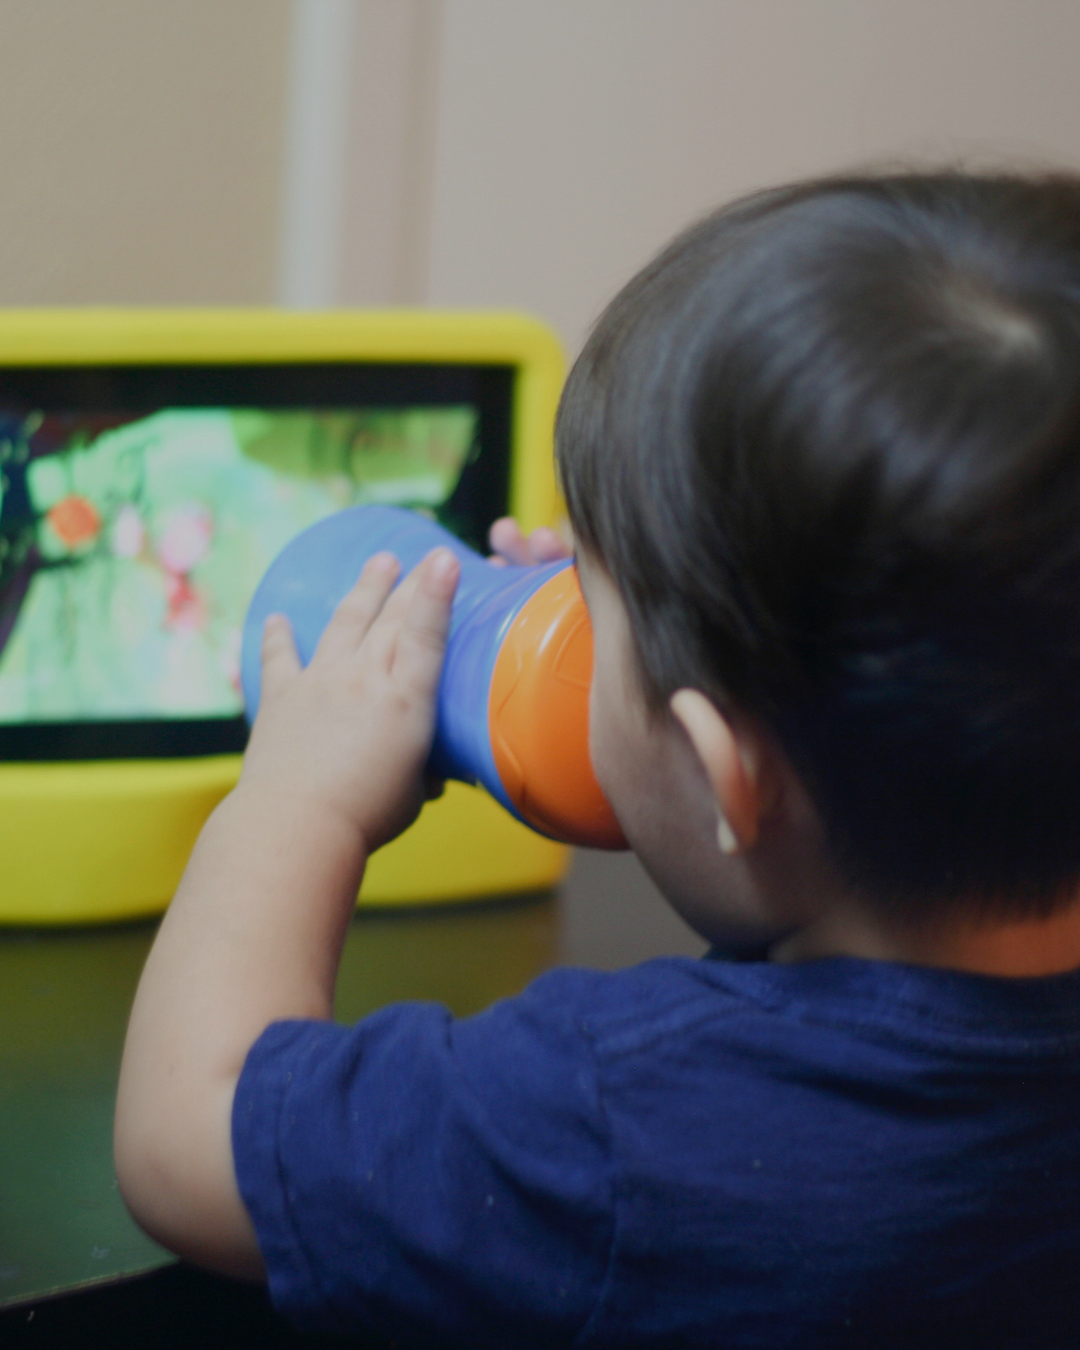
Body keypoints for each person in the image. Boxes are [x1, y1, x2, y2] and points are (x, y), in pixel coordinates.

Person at [114, 172, 1080, 1348]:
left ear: (729, 774)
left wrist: (299, 796)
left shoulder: (621, 1119)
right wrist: (652, 610)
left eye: (592, 605)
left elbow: (185, 1141)